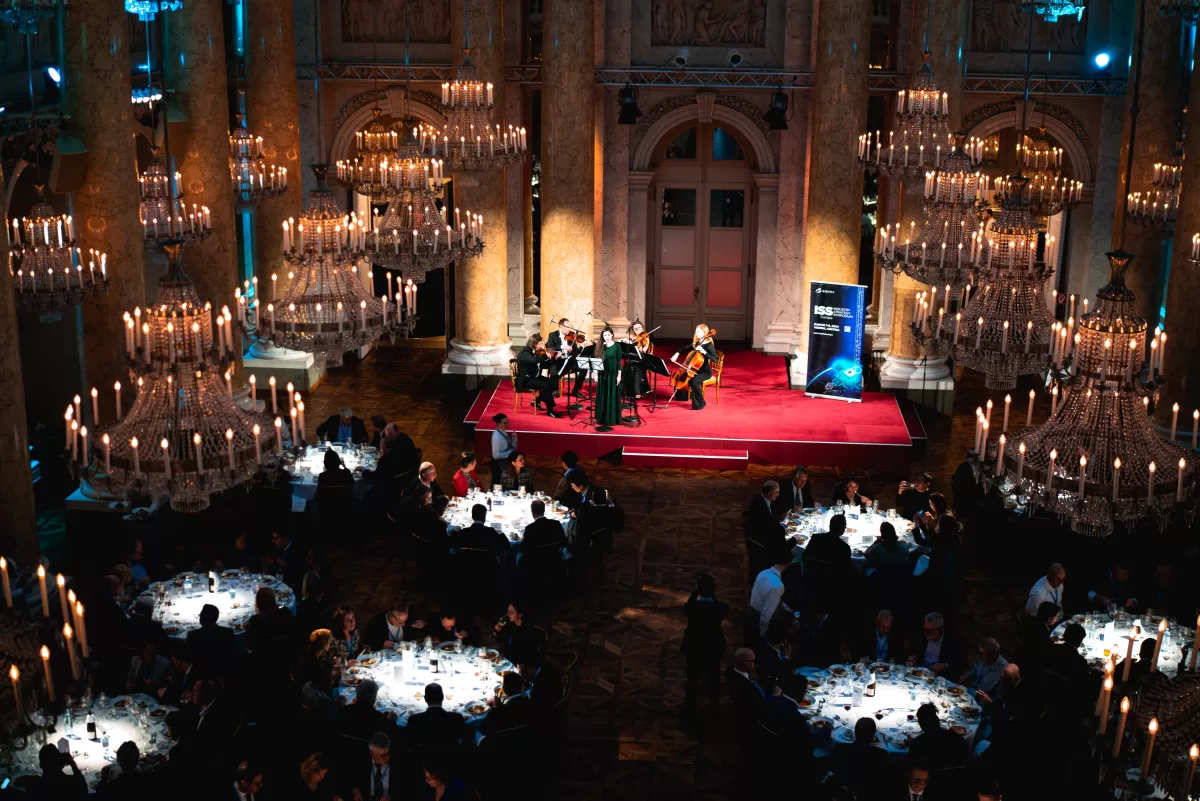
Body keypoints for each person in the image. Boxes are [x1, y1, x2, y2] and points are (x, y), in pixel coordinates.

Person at [681, 574, 728, 722]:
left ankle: (689, 708)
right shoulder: (720, 608)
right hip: (713, 648)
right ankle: (714, 707)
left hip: (694, 647)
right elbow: (719, 606)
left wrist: (695, 593)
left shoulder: (692, 608)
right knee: (713, 679)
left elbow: (687, 609)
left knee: (692, 679)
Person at [829, 717, 889, 798]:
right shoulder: (881, 755)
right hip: (868, 794)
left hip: (842, 791)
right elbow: (882, 780)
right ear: (873, 735)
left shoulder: (840, 749)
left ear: (855, 732)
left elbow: (833, 768)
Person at [545, 317, 592, 405]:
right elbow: (549, 348)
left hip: (569, 361)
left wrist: (582, 346)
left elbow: (575, 352)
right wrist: (563, 347)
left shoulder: (572, 336)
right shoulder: (553, 335)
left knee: (584, 367)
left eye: (570, 327)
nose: (569, 329)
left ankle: (576, 390)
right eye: (567, 327)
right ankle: (555, 389)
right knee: (554, 371)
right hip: (557, 360)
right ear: (561, 326)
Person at [669, 323, 717, 410]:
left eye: (699, 331)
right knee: (678, 376)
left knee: (694, 381)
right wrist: (676, 354)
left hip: (705, 372)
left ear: (704, 332)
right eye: (696, 331)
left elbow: (715, 359)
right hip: (695, 370)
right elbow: (684, 349)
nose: (696, 333)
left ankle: (701, 403)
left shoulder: (709, 345)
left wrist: (704, 351)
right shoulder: (697, 343)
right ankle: (683, 396)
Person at [748, 553, 795, 640]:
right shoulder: (778, 585)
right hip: (759, 620)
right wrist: (762, 633)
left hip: (750, 613)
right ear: (788, 565)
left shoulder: (763, 572)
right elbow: (766, 613)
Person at [406, 683, 466, 751]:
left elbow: (407, 741)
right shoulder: (456, 718)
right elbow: (469, 736)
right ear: (443, 697)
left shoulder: (414, 720)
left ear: (425, 698)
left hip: (423, 759)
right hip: (451, 759)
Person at [186, 603, 239, 679]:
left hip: (201, 676)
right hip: (225, 673)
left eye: (200, 614)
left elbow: (189, 659)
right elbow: (234, 655)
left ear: (202, 618)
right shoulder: (228, 632)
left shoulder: (192, 636)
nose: (199, 616)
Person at [909, 703, 968, 771]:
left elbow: (912, 764)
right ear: (938, 720)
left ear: (920, 723)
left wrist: (912, 744)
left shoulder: (919, 742)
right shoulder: (956, 737)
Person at [516, 333, 560, 417]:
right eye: (539, 344)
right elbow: (534, 361)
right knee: (546, 386)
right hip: (526, 379)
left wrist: (553, 358)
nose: (541, 346)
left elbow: (543, 365)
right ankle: (550, 410)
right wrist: (544, 355)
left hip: (535, 377)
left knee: (554, 384)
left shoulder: (536, 352)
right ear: (533, 343)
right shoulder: (525, 352)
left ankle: (537, 401)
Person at [493, 600, 546, 667]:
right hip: (508, 660)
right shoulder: (510, 625)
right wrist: (498, 631)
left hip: (521, 665)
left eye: (511, 612)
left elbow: (530, 653)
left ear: (520, 615)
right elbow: (502, 640)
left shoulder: (529, 630)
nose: (507, 614)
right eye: (508, 611)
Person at [344, 731, 394, 801]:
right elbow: (349, 782)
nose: (387, 758)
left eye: (388, 753)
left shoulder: (397, 763)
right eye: (383, 755)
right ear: (372, 752)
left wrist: (390, 797)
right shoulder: (359, 761)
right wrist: (355, 791)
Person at [481, 672, 533, 736]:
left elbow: (483, 730)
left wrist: (496, 708)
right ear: (522, 687)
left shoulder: (497, 712)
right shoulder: (532, 702)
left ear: (504, 690)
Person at [910, 612, 961, 677]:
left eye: (929, 631)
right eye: (925, 629)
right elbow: (914, 653)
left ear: (940, 629)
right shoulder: (922, 635)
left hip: (939, 674)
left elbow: (959, 662)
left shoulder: (952, 640)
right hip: (920, 670)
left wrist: (945, 665)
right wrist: (912, 659)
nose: (926, 633)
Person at [757, 621, 798, 697]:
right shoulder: (768, 654)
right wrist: (786, 657)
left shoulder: (771, 648)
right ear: (782, 641)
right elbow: (784, 675)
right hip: (774, 690)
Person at [594, 326, 623, 429]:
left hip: (612, 373)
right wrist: (596, 374)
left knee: (611, 394)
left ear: (612, 335)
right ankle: (601, 418)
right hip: (602, 373)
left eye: (608, 335)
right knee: (603, 394)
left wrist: (619, 376)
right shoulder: (601, 346)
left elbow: (619, 362)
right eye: (605, 335)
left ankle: (611, 418)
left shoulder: (617, 346)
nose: (607, 337)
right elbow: (597, 360)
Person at [490, 414, 518, 487]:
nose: (507, 424)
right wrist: (510, 452)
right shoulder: (497, 437)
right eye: (504, 423)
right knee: (497, 485)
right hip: (498, 466)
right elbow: (495, 456)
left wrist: (514, 438)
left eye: (507, 422)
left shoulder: (502, 431)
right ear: (498, 424)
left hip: (504, 463)